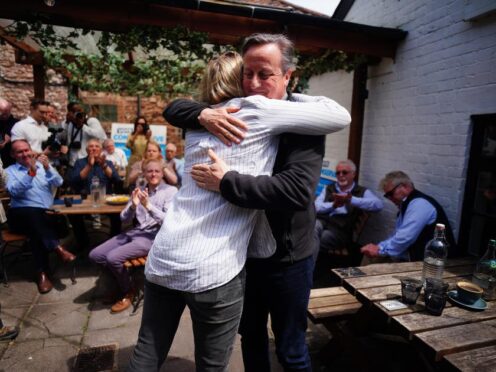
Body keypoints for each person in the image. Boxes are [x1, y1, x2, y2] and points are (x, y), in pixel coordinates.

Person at [126, 49, 349, 371]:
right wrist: (203, 114)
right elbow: (175, 108)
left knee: (289, 348)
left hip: (269, 256)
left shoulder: (213, 122)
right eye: (248, 74)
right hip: (224, 261)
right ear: (238, 80)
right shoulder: (240, 111)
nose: (255, 83)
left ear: (287, 75)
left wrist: (227, 180)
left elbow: (298, 191)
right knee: (233, 350)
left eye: (265, 74)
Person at [89, 158, 177, 313]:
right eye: (149, 171)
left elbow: (168, 221)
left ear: (162, 173)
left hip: (153, 237)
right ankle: (119, 283)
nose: (153, 174)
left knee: (113, 258)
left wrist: (148, 206)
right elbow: (124, 218)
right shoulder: (139, 188)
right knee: (96, 255)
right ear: (144, 173)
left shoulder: (170, 191)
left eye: (157, 171)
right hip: (134, 232)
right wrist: (134, 206)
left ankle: (128, 291)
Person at [6, 139, 76, 294]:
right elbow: (14, 192)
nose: (24, 154)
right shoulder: (9, 171)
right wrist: (31, 173)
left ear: (31, 150)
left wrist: (47, 167)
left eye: (26, 150)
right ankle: (57, 248)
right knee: (33, 214)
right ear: (13, 155)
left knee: (36, 229)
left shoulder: (43, 167)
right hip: (19, 216)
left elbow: (59, 182)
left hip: (42, 217)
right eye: (20, 151)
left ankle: (42, 273)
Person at [360, 171, 457, 262]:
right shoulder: (407, 205)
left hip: (432, 263)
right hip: (417, 259)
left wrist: (379, 250)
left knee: (372, 263)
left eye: (390, 194)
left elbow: (405, 237)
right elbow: (397, 235)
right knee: (369, 259)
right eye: (387, 196)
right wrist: (380, 247)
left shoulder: (419, 204)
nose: (389, 199)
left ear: (404, 187)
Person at [313, 159, 383, 265]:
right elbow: (316, 207)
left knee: (318, 238)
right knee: (312, 229)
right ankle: (306, 269)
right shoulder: (329, 188)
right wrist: (333, 205)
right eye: (338, 173)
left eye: (344, 172)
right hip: (322, 221)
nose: (341, 175)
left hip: (339, 230)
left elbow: (378, 205)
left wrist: (351, 200)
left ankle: (306, 269)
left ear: (353, 174)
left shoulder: (361, 191)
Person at [68, 139, 121, 250]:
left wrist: (104, 166)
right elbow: (73, 181)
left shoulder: (108, 163)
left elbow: (117, 180)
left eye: (97, 146)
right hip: (85, 199)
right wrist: (89, 165)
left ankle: (114, 241)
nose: (94, 148)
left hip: (106, 200)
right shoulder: (79, 162)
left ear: (101, 150)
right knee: (73, 215)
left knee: (117, 214)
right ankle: (83, 243)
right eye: (91, 146)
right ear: (87, 150)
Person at [62, 102, 107, 167]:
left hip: (88, 161)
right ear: (70, 112)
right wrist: (67, 122)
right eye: (74, 111)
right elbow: (64, 138)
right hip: (72, 162)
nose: (77, 113)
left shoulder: (91, 121)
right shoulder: (69, 123)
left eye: (79, 111)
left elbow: (101, 135)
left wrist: (83, 126)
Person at [0, 98, 17, 167]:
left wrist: (11, 139)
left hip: (11, 162)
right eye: (3, 113)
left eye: (7, 112)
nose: (5, 115)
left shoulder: (17, 124)